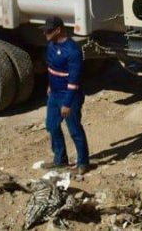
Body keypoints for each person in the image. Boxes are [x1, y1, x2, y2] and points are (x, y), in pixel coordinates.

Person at [43, 16, 90, 174]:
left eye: (48, 31)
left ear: (58, 30)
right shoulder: (51, 45)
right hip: (54, 94)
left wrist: (67, 103)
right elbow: (51, 69)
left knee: (75, 130)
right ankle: (60, 159)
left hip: (70, 96)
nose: (45, 34)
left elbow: (73, 81)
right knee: (52, 125)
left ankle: (83, 163)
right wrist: (50, 85)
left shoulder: (73, 51)